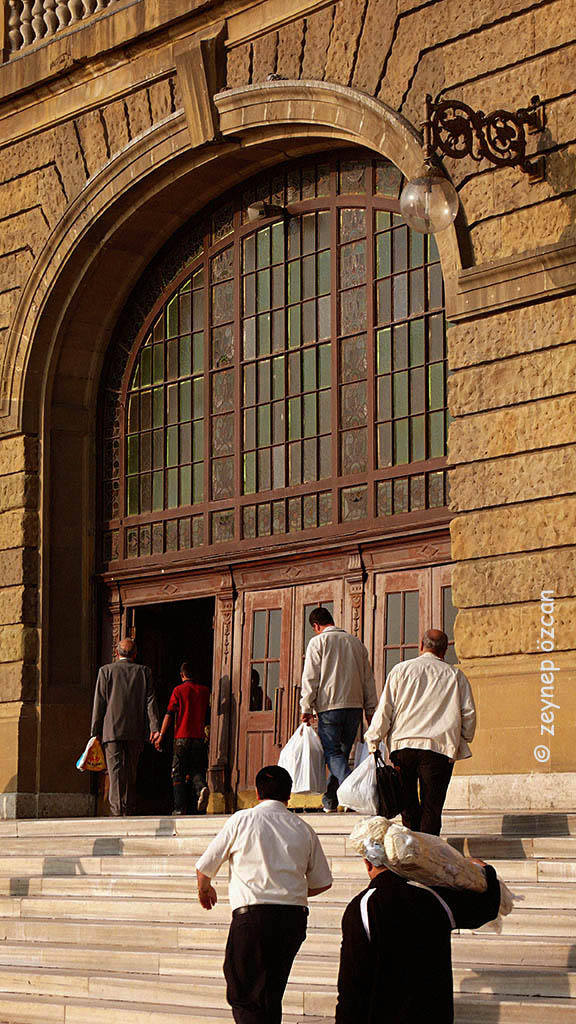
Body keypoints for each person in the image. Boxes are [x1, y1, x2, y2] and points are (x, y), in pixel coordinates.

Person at [195, 764, 332, 1024]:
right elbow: (322, 882)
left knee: (245, 994)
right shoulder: (303, 828)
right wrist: (289, 891)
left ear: (257, 793)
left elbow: (205, 867)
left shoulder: (242, 820)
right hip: (292, 918)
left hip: (252, 917)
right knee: (271, 993)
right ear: (288, 796)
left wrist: (205, 890)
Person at [335, 831, 501, 1024]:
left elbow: (352, 984)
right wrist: (487, 871)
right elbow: (484, 910)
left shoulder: (362, 907)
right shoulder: (432, 897)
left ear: (368, 863)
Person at [365, 628, 476, 835]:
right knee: (432, 806)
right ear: (444, 651)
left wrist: (374, 740)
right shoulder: (455, 675)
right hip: (438, 747)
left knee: (407, 804)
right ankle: (428, 849)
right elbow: (468, 713)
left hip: (403, 745)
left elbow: (385, 709)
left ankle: (412, 847)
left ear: (421, 646)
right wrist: (462, 738)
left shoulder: (400, 670)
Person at [300, 607, 377, 812]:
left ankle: (355, 789)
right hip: (354, 707)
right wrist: (370, 708)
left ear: (316, 626)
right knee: (340, 754)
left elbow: (310, 677)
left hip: (329, 706)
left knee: (333, 753)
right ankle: (330, 801)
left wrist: (306, 706)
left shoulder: (318, 642)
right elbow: (368, 678)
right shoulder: (356, 643)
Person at [90, 637, 160, 817]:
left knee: (114, 772)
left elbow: (100, 703)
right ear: (135, 654)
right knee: (131, 772)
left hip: (111, 730)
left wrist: (95, 732)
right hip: (136, 730)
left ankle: (116, 811)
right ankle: (128, 810)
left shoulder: (105, 671)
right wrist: (154, 727)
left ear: (116, 653)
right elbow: (150, 701)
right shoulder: (144, 672)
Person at [154, 661, 210, 815]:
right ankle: (201, 788)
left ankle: (179, 808)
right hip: (199, 737)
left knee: (177, 772)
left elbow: (169, 714)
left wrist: (161, 735)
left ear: (181, 675)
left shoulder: (178, 690)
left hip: (182, 737)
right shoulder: (204, 691)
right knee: (197, 769)